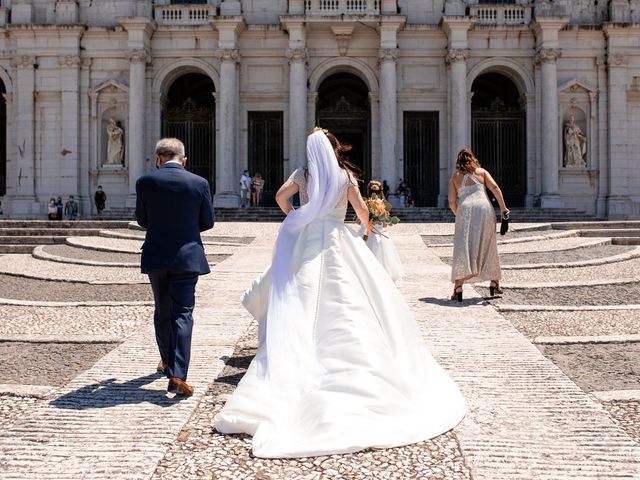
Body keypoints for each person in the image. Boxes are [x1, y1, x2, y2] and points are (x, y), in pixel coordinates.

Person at [214, 129, 465, 458]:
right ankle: (354, 359)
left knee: (301, 297)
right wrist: (370, 225)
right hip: (337, 239)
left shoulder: (302, 174)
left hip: (307, 241)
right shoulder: (345, 176)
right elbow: (361, 210)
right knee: (351, 298)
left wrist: (298, 215)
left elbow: (279, 197)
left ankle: (299, 357)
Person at [135, 137, 214, 396]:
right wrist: (187, 230)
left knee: (162, 311)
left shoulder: (145, 182)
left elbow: (142, 219)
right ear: (184, 159)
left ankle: (167, 361)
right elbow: (208, 221)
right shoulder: (200, 183)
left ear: (158, 159)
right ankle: (178, 375)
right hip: (188, 257)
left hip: (156, 256)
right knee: (183, 314)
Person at [447, 148, 509, 302]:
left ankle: (458, 287)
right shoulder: (481, 172)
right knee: (488, 244)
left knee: (463, 247)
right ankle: (494, 281)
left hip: (465, 210)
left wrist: (459, 214)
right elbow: (494, 188)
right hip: (484, 209)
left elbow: (451, 201)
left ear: (458, 162)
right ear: (473, 159)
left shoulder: (455, 177)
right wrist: (503, 208)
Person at [361, 179, 405, 282]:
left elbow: (359, 221)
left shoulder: (366, 204)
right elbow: (385, 225)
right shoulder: (384, 205)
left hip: (366, 232)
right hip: (379, 233)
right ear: (381, 191)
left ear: (368, 191)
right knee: (383, 258)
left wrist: (369, 221)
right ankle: (382, 278)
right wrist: (381, 230)